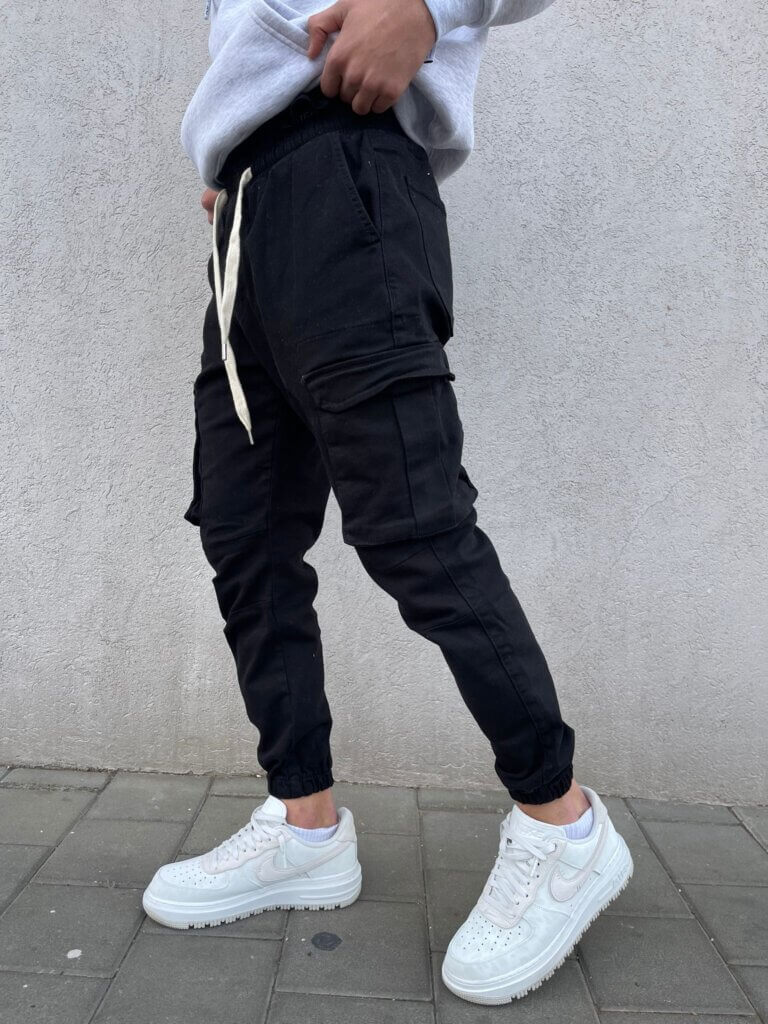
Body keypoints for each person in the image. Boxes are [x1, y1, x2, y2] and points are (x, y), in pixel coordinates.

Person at [143, 0, 633, 1003]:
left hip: (350, 175)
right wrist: (234, 148)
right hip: (246, 217)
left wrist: (427, 8)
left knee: (414, 527)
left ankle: (563, 822)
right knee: (245, 534)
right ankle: (305, 825)